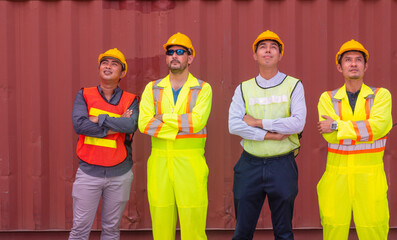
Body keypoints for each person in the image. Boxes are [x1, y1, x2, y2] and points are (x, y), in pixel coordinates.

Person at [228, 30, 306, 240]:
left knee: (283, 232)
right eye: (263, 47)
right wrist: (270, 135)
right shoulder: (244, 88)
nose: (268, 51)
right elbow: (234, 126)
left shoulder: (294, 85)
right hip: (249, 165)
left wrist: (257, 122)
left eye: (273, 47)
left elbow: (297, 123)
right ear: (255, 55)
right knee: (242, 232)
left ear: (280, 55)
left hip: (282, 165)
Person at [138, 32, 212, 240]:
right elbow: (143, 123)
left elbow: (197, 122)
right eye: (170, 52)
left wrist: (161, 117)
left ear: (190, 57)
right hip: (159, 162)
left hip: (191, 163)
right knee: (161, 224)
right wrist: (179, 125)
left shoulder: (202, 88)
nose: (174, 56)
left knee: (193, 224)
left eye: (181, 52)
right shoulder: (152, 88)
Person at [317, 40, 392, 240]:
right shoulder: (328, 98)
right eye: (348, 60)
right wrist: (360, 130)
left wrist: (337, 125)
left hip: (370, 177)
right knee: (333, 230)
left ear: (365, 66)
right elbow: (329, 134)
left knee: (374, 230)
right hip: (336, 177)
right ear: (339, 67)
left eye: (358, 60)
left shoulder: (381, 96)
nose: (353, 64)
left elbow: (378, 127)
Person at [69, 48, 139, 240]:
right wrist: (116, 125)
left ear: (122, 72)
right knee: (80, 230)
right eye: (105, 63)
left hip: (120, 174)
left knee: (111, 230)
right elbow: (80, 125)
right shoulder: (84, 94)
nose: (108, 67)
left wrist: (98, 118)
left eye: (114, 64)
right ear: (99, 68)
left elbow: (131, 124)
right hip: (88, 173)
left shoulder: (130, 100)